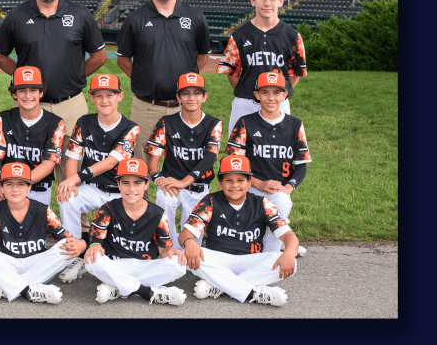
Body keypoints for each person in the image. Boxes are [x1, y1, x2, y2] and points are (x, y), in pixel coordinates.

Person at [0, 0, 107, 232]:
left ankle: (78, 232)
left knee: (71, 170)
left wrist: (75, 76)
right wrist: (23, 79)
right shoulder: (17, 16)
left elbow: (99, 56)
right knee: (24, 164)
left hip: (70, 103)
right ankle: (21, 229)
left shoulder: (79, 14)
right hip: (28, 105)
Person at [116, 0, 211, 165]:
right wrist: (144, 78)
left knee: (183, 163)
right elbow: (122, 60)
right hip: (146, 107)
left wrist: (187, 82)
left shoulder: (196, 17)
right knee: (139, 166)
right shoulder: (135, 19)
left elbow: (203, 56)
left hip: (184, 106)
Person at [177, 155, 298, 307]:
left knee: (291, 261)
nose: (235, 185)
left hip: (251, 261)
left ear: (249, 182)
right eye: (229, 180)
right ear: (220, 183)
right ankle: (255, 293)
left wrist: (289, 254)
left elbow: (290, 237)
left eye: (240, 180)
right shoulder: (210, 201)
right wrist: (189, 242)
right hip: (219, 260)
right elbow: (184, 235)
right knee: (189, 254)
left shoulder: (262, 203)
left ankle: (219, 286)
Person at [0, 163, 87, 304]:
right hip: (7, 265)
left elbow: (67, 240)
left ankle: (6, 286)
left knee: (68, 246)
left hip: (36, 264)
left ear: (29, 187)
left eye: (21, 184)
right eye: (9, 184)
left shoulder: (43, 210)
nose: (15, 189)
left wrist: (82, 244)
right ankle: (28, 290)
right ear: (1, 187)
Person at [55, 73, 139, 283]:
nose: (104, 100)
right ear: (91, 98)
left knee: (122, 247)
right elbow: (73, 157)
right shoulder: (84, 122)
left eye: (110, 95)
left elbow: (110, 162)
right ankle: (74, 254)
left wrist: (75, 178)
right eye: (99, 95)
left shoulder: (131, 128)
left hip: (122, 194)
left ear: (120, 96)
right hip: (94, 188)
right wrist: (72, 182)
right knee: (67, 197)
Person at [225, 70, 311, 257]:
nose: (271, 98)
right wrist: (258, 184)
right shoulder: (245, 123)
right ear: (256, 95)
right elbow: (232, 164)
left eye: (276, 92)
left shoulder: (295, 125)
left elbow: (301, 165)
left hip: (277, 190)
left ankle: (270, 255)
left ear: (285, 95)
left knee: (282, 202)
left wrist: (288, 188)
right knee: (239, 243)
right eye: (265, 92)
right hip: (248, 188)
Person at [83, 158, 187, 305]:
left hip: (145, 266)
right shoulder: (107, 209)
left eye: (137, 183)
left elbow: (163, 251)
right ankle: (146, 292)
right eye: (125, 183)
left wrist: (171, 251)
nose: (131, 189)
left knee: (179, 264)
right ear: (118, 184)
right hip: (116, 265)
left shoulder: (158, 214)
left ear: (146, 185)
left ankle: (119, 288)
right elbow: (96, 244)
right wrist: (95, 246)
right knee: (91, 260)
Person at [216, 0, 307, 139]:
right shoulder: (238, 35)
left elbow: (294, 75)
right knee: (239, 151)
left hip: (279, 104)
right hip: (245, 104)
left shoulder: (293, 36)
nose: (267, 3)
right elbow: (232, 73)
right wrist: (248, 93)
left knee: (278, 150)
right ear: (253, 1)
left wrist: (277, 96)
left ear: (281, 1)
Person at [145, 73, 222, 249]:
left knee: (192, 244)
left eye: (197, 93)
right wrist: (158, 178)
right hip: (171, 186)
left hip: (198, 188)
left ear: (204, 97)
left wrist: (184, 182)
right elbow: (152, 161)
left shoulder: (213, 124)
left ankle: (186, 253)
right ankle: (165, 250)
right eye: (186, 93)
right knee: (164, 207)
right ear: (178, 97)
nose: (191, 98)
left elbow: (209, 158)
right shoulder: (166, 122)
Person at [0, 66, 65, 206]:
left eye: (33, 90)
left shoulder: (55, 123)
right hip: (6, 186)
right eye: (22, 90)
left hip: (38, 189)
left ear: (41, 92)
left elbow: (48, 164)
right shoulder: (2, 119)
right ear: (14, 94)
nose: (28, 96)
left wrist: (17, 186)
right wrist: (2, 181)